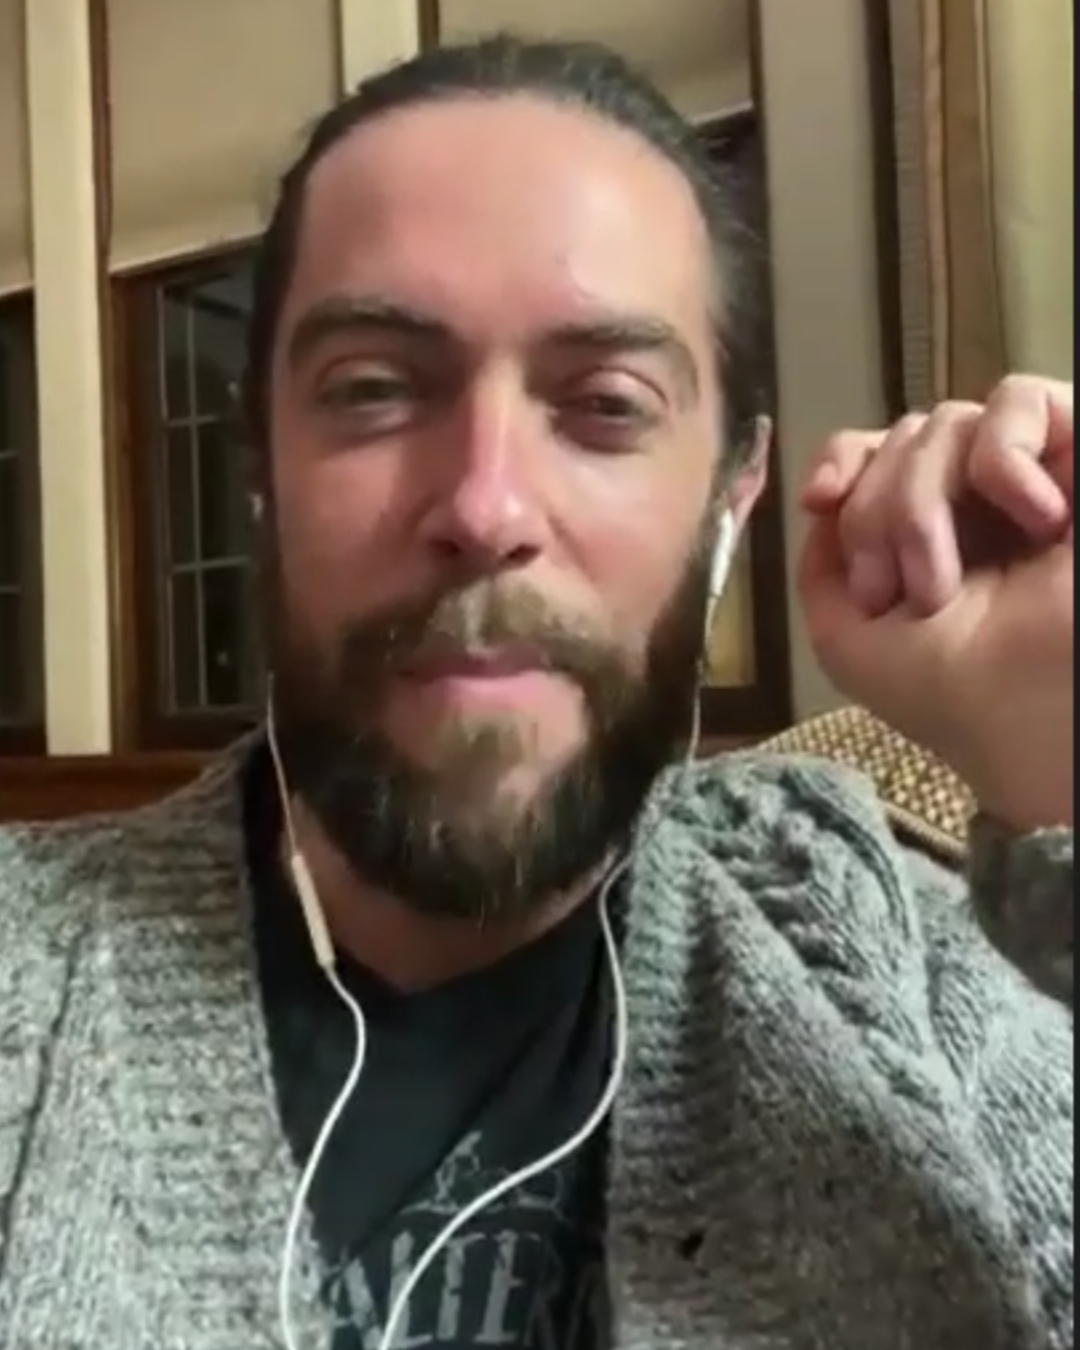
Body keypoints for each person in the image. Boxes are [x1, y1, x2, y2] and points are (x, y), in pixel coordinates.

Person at [0, 35, 1072, 1350]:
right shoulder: (24, 971)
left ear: (732, 495)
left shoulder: (903, 977)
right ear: (262, 471)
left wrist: (1058, 739)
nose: (486, 505)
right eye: (374, 390)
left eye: (605, 405)